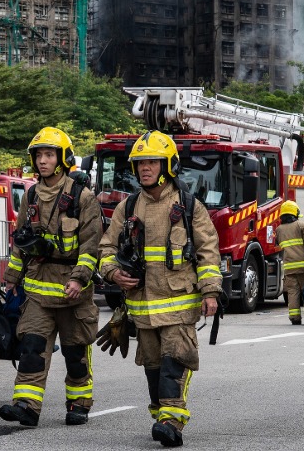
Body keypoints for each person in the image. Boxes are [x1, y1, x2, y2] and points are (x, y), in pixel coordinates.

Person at [98, 131, 221, 448]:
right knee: (153, 369)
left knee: (173, 362)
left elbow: (208, 252)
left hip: (178, 305)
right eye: (140, 163)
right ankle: (163, 416)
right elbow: (106, 249)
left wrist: (210, 292)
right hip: (141, 309)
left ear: (169, 165)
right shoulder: (127, 208)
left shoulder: (189, 207)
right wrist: (113, 273)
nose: (145, 168)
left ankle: (171, 422)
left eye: (152, 161)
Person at [0, 127, 102, 428]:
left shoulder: (82, 197)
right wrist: (11, 278)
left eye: (49, 154)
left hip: (72, 292)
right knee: (31, 348)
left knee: (75, 353)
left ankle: (79, 403)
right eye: (38, 155)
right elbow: (21, 240)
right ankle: (27, 407)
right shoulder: (30, 195)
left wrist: (79, 278)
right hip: (37, 290)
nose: (42, 161)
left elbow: (91, 245)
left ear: (63, 158)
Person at [275, 200, 304, 325]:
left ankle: (294, 317)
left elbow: (278, 245)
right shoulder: (302, 226)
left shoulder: (279, 229)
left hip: (289, 267)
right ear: (295, 213)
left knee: (293, 292)